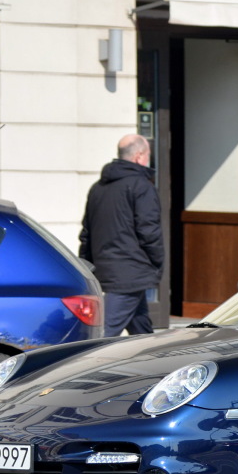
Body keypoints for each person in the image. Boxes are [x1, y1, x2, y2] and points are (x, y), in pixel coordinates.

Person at [79, 134, 165, 336]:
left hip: (109, 269)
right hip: (129, 273)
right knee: (101, 335)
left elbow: (86, 233)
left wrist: (86, 264)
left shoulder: (98, 188)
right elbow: (149, 231)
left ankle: (152, 362)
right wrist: (158, 262)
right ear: (139, 156)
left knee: (141, 329)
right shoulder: (141, 187)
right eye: (148, 155)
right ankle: (83, 367)